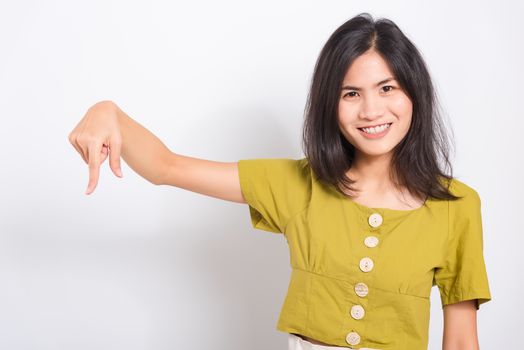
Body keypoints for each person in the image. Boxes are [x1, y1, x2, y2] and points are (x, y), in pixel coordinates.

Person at [68, 12, 492, 350]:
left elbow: (460, 340)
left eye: (387, 88)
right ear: (331, 104)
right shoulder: (298, 183)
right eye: (351, 93)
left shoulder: (457, 207)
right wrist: (109, 112)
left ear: (414, 92)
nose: (370, 110)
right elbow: (166, 167)